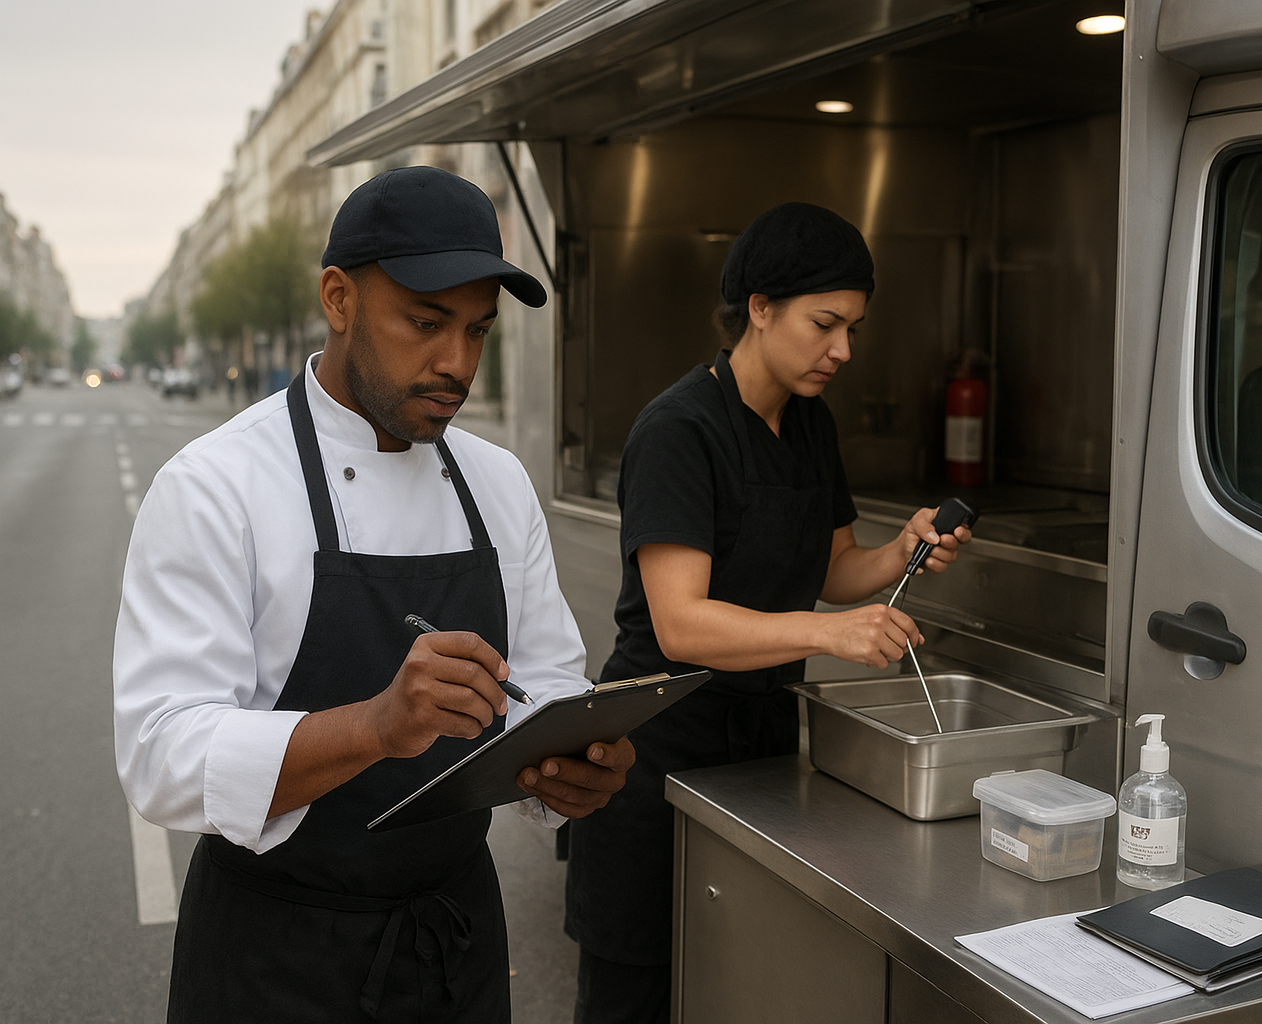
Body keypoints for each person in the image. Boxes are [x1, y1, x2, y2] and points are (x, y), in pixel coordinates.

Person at [113, 165, 634, 1023]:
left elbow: (549, 680)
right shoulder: (216, 485)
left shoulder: (498, 483)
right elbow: (161, 757)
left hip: (456, 943)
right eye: (426, 323)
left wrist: (566, 768)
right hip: (274, 960)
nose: (456, 363)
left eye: (478, 331)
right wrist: (377, 727)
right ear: (338, 298)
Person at [563, 202, 971, 1023]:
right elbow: (681, 625)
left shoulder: (810, 425)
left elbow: (832, 567)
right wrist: (827, 633)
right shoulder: (679, 429)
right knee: (635, 999)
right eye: (825, 324)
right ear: (758, 308)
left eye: (852, 328)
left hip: (762, 762)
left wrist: (903, 552)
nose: (843, 350)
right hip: (651, 758)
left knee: (740, 985)